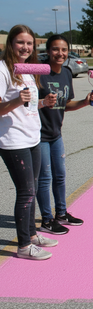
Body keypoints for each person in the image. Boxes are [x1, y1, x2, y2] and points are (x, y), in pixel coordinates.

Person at [0, 24, 57, 260]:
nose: (25, 47)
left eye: (30, 43)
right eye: (20, 42)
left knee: (31, 191)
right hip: (14, 141)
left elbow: (28, 105)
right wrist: (15, 101)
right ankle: (24, 245)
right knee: (26, 192)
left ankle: (32, 235)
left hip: (33, 137)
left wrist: (44, 102)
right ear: (11, 44)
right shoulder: (2, 69)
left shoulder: (27, 71)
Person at [37, 34, 93, 235]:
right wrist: (43, 102)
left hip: (56, 133)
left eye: (63, 49)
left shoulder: (66, 73)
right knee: (45, 178)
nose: (60, 53)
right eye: (55, 49)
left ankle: (61, 214)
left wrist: (84, 101)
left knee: (60, 176)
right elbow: (27, 104)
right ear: (48, 51)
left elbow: (65, 105)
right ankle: (47, 219)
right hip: (39, 135)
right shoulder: (39, 73)